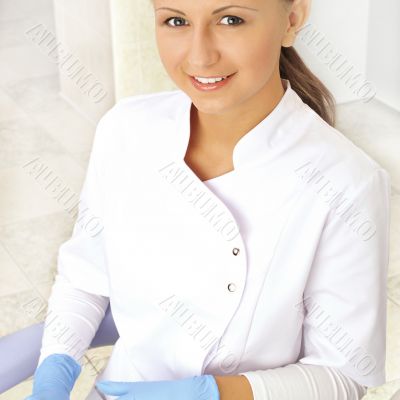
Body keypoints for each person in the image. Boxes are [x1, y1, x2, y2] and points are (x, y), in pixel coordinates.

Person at [26, 0, 391, 399]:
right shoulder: (125, 130)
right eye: (176, 20)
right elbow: (84, 278)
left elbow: (342, 376)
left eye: (231, 20)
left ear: (292, 20)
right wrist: (55, 367)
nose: (200, 55)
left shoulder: (345, 182)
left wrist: (209, 393)